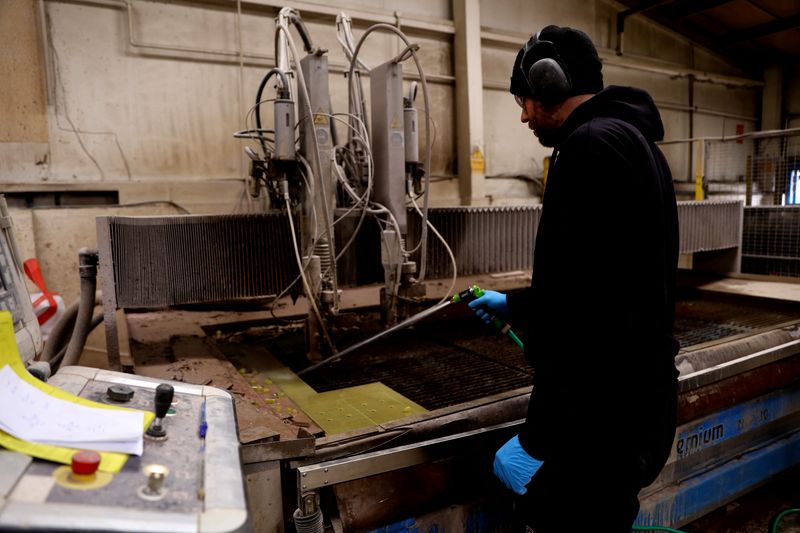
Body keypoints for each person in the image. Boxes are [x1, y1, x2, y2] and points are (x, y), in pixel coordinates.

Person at [469, 25, 680, 532]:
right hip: (637, 409)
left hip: (599, 423)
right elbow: (606, 281)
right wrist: (518, 307)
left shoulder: (588, 146)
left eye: (524, 101)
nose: (523, 116)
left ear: (550, 83)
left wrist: (539, 439)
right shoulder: (636, 143)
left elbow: (584, 318)